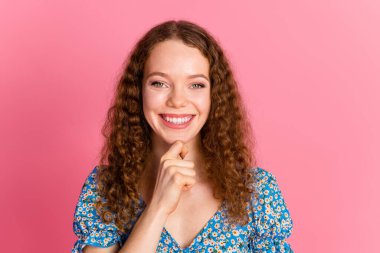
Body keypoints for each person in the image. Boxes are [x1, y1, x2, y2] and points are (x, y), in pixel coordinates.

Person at [71, 20, 294, 253]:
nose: (177, 100)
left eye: (196, 85)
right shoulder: (105, 189)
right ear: (138, 91)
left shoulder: (257, 193)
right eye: (159, 83)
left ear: (214, 95)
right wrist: (158, 206)